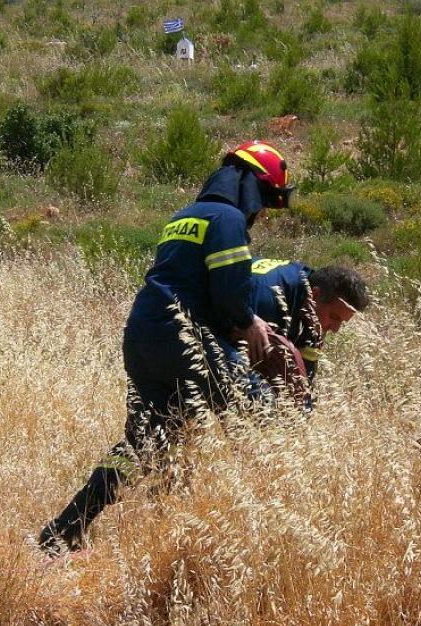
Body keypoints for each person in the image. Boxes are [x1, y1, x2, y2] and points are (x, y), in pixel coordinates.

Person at [38, 141, 294, 555]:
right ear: (254, 188)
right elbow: (229, 294)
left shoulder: (185, 216)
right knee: (264, 415)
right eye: (266, 201)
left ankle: (65, 529)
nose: (262, 213)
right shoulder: (227, 219)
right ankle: (271, 540)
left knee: (142, 442)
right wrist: (250, 322)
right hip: (182, 338)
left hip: (144, 337)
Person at [248, 259, 369, 394]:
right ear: (315, 294)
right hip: (224, 320)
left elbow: (305, 379)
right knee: (261, 397)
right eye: (334, 317)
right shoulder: (268, 299)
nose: (335, 329)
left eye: (342, 321)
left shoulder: (311, 295)